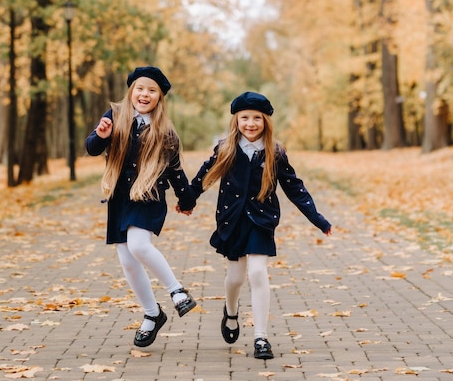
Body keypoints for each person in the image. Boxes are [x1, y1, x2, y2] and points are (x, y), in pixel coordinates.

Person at [186, 91, 332, 360]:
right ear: (236, 120)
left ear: (266, 121)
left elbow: (295, 188)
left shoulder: (275, 153)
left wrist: (319, 220)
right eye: (244, 118)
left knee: (257, 272)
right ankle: (230, 312)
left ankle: (261, 337)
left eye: (257, 118)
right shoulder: (225, 149)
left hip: (261, 221)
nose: (250, 123)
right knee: (236, 278)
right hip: (232, 221)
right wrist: (187, 200)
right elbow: (203, 176)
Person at [85, 66, 197, 348]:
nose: (145, 94)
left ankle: (177, 292)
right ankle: (152, 314)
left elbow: (175, 171)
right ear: (131, 91)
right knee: (126, 260)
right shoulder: (114, 116)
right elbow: (91, 148)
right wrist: (100, 134)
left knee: (138, 245)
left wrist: (186, 200)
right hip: (120, 197)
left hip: (149, 195)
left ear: (160, 97)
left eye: (152, 90)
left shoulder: (165, 131)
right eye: (140, 88)